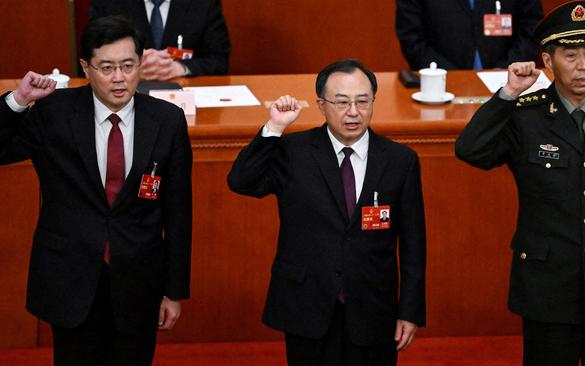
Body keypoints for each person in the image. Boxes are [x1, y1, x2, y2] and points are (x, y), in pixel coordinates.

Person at [455, 1, 585, 365]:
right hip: (549, 289)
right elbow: (470, 150)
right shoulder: (526, 117)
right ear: (548, 61)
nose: (584, 66)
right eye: (571, 56)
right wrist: (508, 94)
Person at [0, 16, 192, 366]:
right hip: (71, 278)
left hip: (139, 280)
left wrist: (173, 290)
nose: (118, 78)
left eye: (127, 65)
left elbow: (178, 213)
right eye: (106, 67)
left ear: (140, 64)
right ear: (86, 68)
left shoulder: (167, 121)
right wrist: (17, 100)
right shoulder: (54, 113)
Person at [228, 59, 426, 366]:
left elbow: (414, 246)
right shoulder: (293, 151)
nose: (353, 112)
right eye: (342, 102)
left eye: (363, 101)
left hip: (373, 309)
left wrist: (409, 311)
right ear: (321, 105)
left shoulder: (400, 161)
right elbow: (241, 181)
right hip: (307, 305)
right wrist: (275, 127)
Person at [90, 0, 231, 79]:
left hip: (185, 96)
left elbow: (219, 60)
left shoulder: (204, 4)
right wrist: (129, 66)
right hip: (124, 97)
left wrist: (180, 68)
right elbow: (91, 56)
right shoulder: (107, 3)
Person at [396, 0, 543, 70]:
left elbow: (532, 28)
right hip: (439, 86)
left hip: (509, 82)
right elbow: (411, 38)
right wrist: (449, 75)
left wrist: (508, 68)